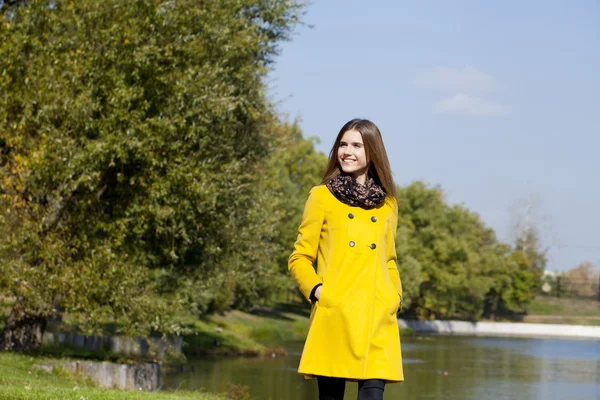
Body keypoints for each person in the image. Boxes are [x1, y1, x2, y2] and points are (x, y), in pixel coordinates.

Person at [288, 118, 404, 400]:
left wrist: (395, 298)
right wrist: (318, 292)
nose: (347, 151)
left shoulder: (388, 205)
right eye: (342, 144)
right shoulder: (322, 197)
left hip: (377, 317)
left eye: (356, 145)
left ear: (372, 152)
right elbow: (300, 257)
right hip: (335, 315)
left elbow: (388, 259)